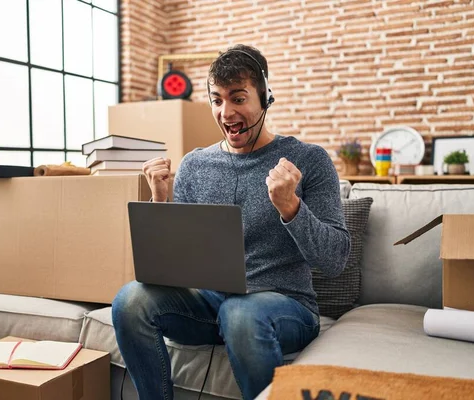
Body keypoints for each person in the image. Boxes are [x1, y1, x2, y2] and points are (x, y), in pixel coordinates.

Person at [112, 44, 351, 400]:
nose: (227, 112)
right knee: (129, 300)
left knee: (240, 312)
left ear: (265, 98)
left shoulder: (308, 160)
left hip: (285, 308)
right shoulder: (194, 165)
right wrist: (160, 202)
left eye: (238, 98)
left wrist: (291, 207)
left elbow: (336, 260)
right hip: (210, 305)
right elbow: (174, 264)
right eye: (217, 100)